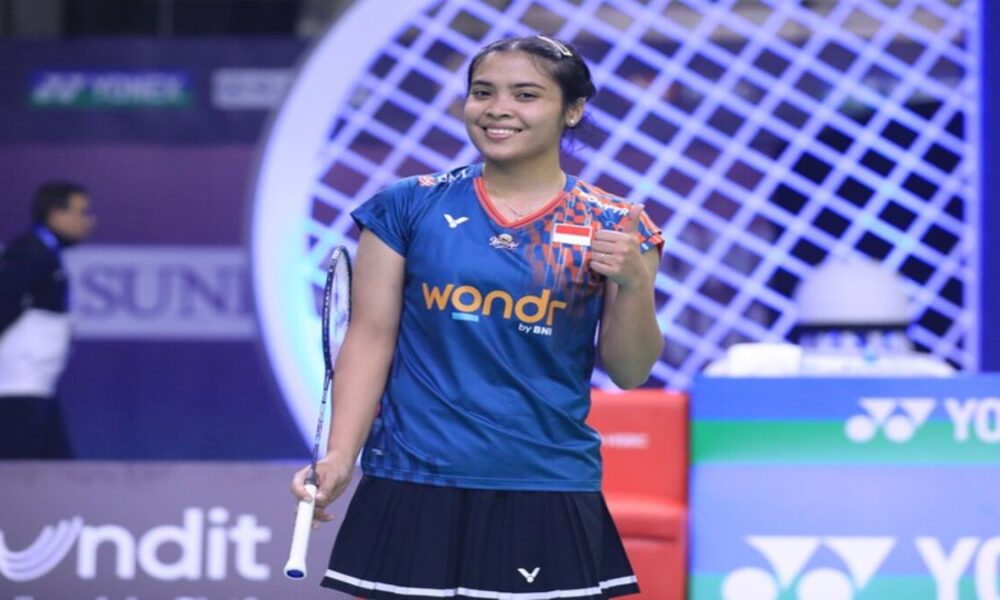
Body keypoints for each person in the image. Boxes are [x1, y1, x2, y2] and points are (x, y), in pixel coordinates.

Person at [292, 35, 663, 599]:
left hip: (543, 480)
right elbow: (370, 339)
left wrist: (634, 284)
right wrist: (341, 456)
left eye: (526, 95)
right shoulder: (407, 206)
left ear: (572, 110)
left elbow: (630, 371)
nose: (498, 109)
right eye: (483, 92)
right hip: (413, 476)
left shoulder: (615, 225)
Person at [0, 181, 95, 458]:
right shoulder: (30, 252)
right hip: (17, 386)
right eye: (81, 212)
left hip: (37, 384)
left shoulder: (44, 251)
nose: (89, 221)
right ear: (56, 215)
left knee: (56, 470)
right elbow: (4, 300)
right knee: (17, 471)